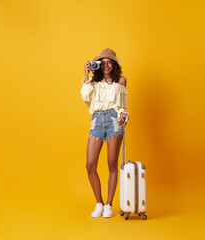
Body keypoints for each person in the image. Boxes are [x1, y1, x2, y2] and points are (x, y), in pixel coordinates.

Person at [81, 48, 129, 218]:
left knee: (111, 164)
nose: (106, 65)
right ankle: (99, 203)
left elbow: (122, 104)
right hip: (97, 120)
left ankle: (109, 204)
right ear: (99, 65)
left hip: (114, 120)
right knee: (90, 165)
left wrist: (123, 113)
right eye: (103, 63)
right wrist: (86, 75)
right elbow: (85, 97)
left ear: (114, 64)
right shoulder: (93, 83)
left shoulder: (121, 81)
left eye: (109, 62)